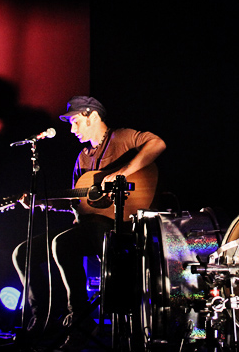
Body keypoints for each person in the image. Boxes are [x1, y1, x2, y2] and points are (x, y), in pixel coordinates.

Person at [12, 95, 166, 350]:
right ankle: (44, 317)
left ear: (92, 115)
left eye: (75, 122)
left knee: (64, 243)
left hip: (121, 227)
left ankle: (80, 318)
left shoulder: (122, 137)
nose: (72, 129)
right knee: (23, 252)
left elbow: (158, 143)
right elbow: (78, 203)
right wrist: (40, 202)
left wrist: (120, 175)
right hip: (87, 228)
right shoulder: (82, 158)